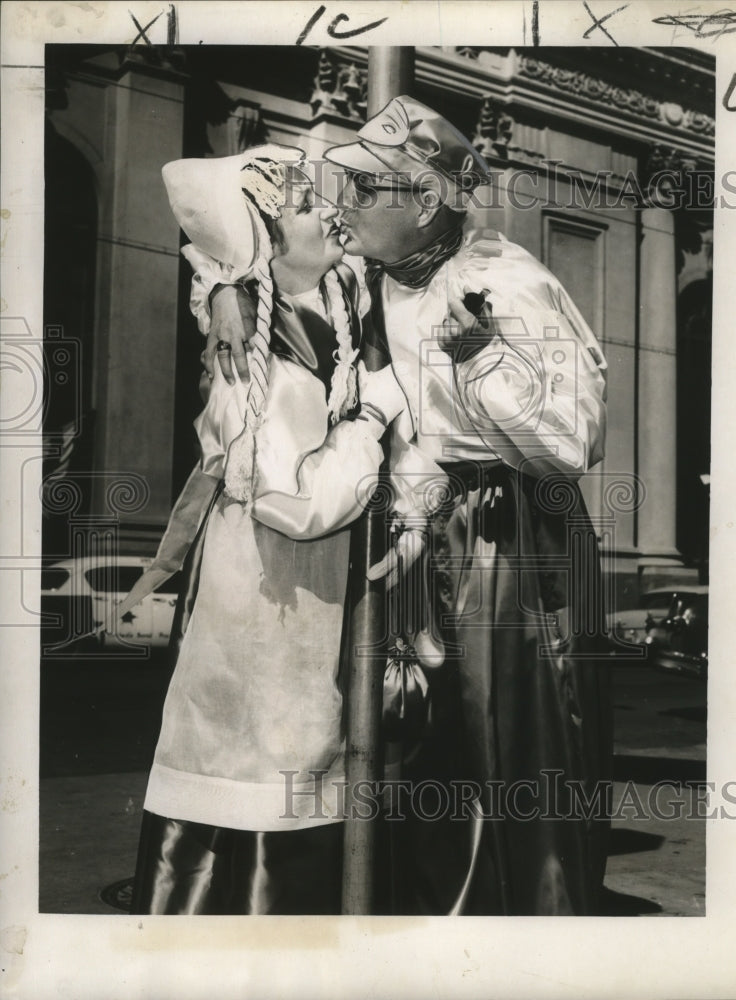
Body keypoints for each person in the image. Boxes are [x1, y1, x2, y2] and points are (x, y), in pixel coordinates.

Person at [200, 97, 613, 916]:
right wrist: (221, 285)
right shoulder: (368, 274)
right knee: (406, 750)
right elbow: (238, 229)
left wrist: (479, 361)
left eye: (362, 189)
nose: (342, 206)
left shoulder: (508, 285)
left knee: (508, 750)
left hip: (508, 543)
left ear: (424, 202)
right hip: (408, 534)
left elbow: (569, 448)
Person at [123, 143, 438, 915]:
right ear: (266, 241)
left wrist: (224, 281)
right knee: (263, 767)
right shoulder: (251, 362)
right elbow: (295, 505)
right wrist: (367, 422)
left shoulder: (327, 305)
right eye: (304, 205)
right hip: (265, 598)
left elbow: (219, 251)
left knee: (296, 756)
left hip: (306, 596)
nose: (330, 209)